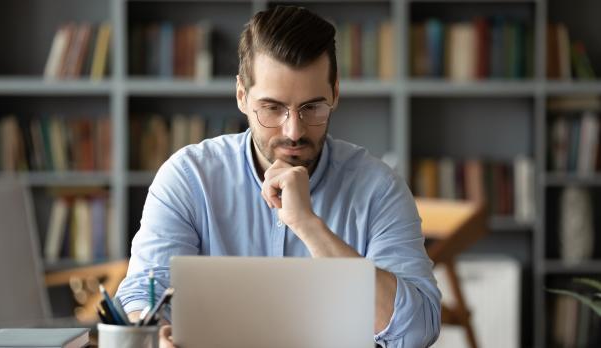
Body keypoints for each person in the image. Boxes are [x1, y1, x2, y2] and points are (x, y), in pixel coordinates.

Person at [116, 5, 441, 347]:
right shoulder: (188, 178)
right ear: (242, 96)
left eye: (311, 107)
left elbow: (417, 330)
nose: (294, 130)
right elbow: (143, 293)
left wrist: (309, 227)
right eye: (272, 108)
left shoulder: (380, 188)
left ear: (335, 94)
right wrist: (150, 333)